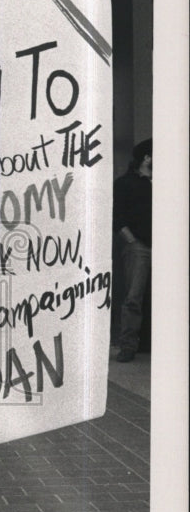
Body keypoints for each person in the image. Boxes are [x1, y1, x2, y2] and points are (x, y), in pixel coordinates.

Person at [112, 138, 152, 362]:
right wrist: (131, 240)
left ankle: (149, 343)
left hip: (166, 245)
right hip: (138, 246)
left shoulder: (165, 182)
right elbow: (116, 216)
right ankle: (128, 346)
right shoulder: (125, 183)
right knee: (133, 297)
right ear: (147, 158)